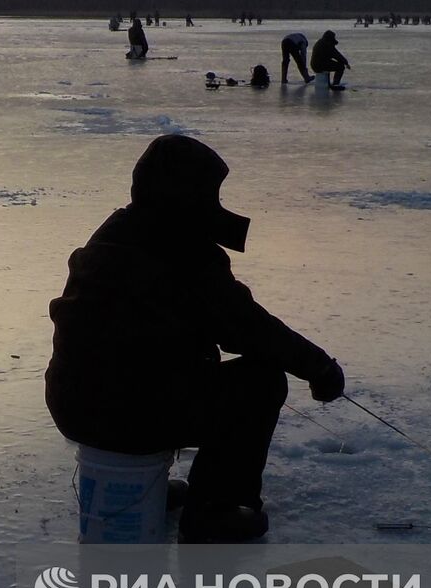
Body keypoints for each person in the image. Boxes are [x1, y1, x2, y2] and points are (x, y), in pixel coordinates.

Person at [45, 134, 345, 542]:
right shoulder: (184, 250)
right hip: (128, 414)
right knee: (261, 379)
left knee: (153, 374)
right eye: (210, 194)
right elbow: (249, 329)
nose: (215, 206)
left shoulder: (117, 229)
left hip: (74, 405)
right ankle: (214, 511)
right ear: (185, 194)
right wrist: (319, 367)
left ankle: (143, 489)